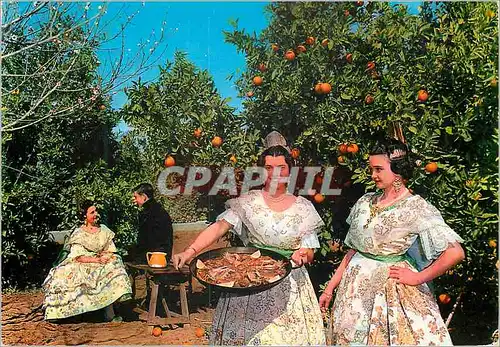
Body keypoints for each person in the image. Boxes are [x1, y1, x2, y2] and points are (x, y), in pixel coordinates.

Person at [172, 131, 326, 345]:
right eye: (269, 168)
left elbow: (310, 250)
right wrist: (189, 251)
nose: (274, 174)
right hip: (248, 286)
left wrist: (304, 255)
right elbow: (219, 227)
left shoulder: (304, 208)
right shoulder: (248, 203)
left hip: (290, 290)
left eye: (281, 168)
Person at [319, 137, 465, 345]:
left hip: (389, 293)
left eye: (378, 169)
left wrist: (417, 278)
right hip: (352, 294)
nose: (373, 175)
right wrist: (330, 287)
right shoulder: (364, 201)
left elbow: (455, 252)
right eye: (371, 169)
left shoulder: (415, 207)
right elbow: (353, 251)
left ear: (397, 169)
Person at [43, 201, 132, 322]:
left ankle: (113, 308)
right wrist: (96, 259)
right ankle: (59, 313)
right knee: (65, 273)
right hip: (84, 260)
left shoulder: (104, 230)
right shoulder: (79, 233)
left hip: (101, 259)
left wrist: (106, 256)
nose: (96, 214)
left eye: (96, 211)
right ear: (85, 216)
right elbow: (77, 256)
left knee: (115, 263)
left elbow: (111, 249)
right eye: (92, 212)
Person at [129, 183, 174, 262]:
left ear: (144, 197)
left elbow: (146, 240)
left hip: (155, 255)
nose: (134, 200)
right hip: (162, 253)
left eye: (136, 197)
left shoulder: (148, 213)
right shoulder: (157, 209)